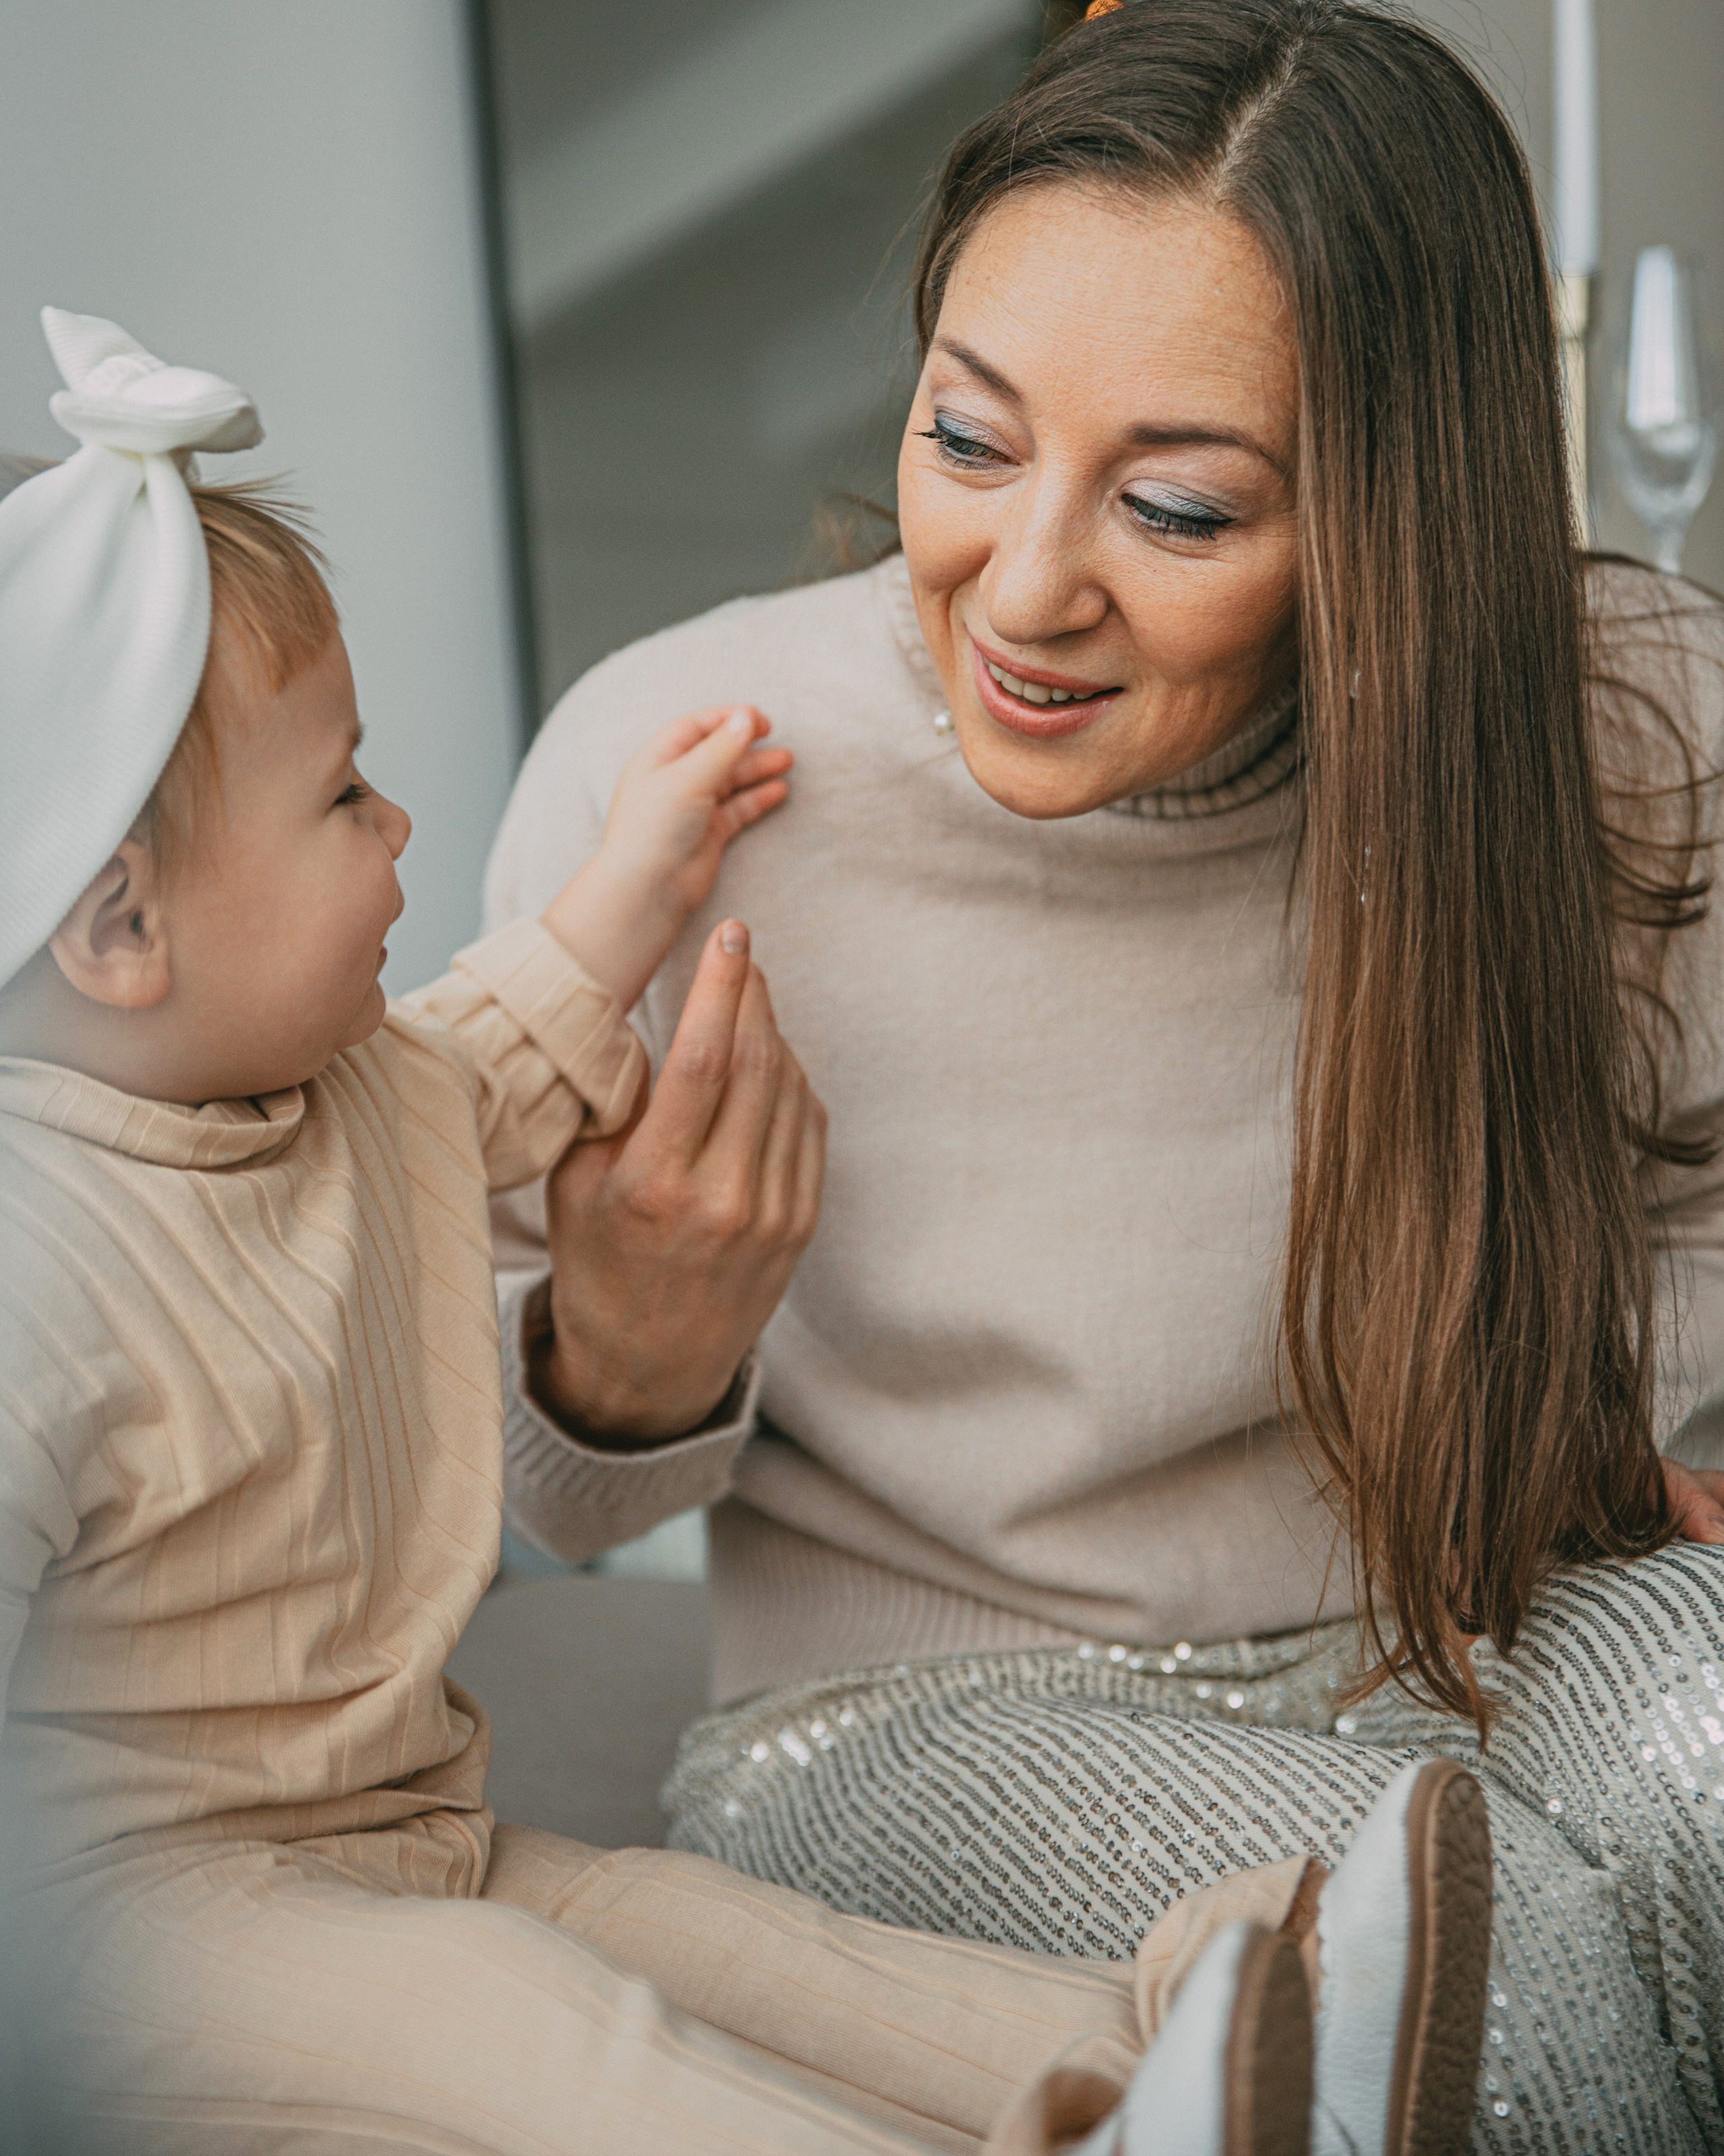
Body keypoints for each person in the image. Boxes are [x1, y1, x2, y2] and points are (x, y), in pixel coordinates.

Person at [0, 309, 1490, 2156]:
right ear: (120, 930)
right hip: (150, 1930)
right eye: (340, 797)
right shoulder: (38, 1272)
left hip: (406, 1838)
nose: (400, 827)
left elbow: (514, 1023)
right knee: (559, 2040)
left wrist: (642, 872)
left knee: (735, 1948)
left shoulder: (351, 1096)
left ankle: (1199, 2034)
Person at [482, 0, 1724, 2151]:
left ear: (1391, 526)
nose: (1022, 587)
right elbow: (530, 1486)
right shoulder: (677, 780)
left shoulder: (1619, 720)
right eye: (967, 441)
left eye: (1174, 506)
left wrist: (1635, 1405)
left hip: (1476, 1594)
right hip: (917, 1704)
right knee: (1475, 1969)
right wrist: (626, 1354)